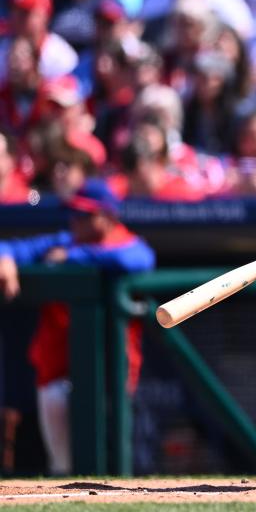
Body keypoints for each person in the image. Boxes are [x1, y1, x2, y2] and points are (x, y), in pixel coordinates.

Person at [0, 179, 155, 475]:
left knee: (122, 467)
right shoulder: (64, 241)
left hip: (113, 377)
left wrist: (73, 259)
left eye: (84, 215)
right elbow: (9, 245)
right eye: (73, 214)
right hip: (57, 371)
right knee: (63, 469)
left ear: (107, 217)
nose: (76, 221)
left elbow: (139, 258)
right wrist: (4, 258)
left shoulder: (122, 244)